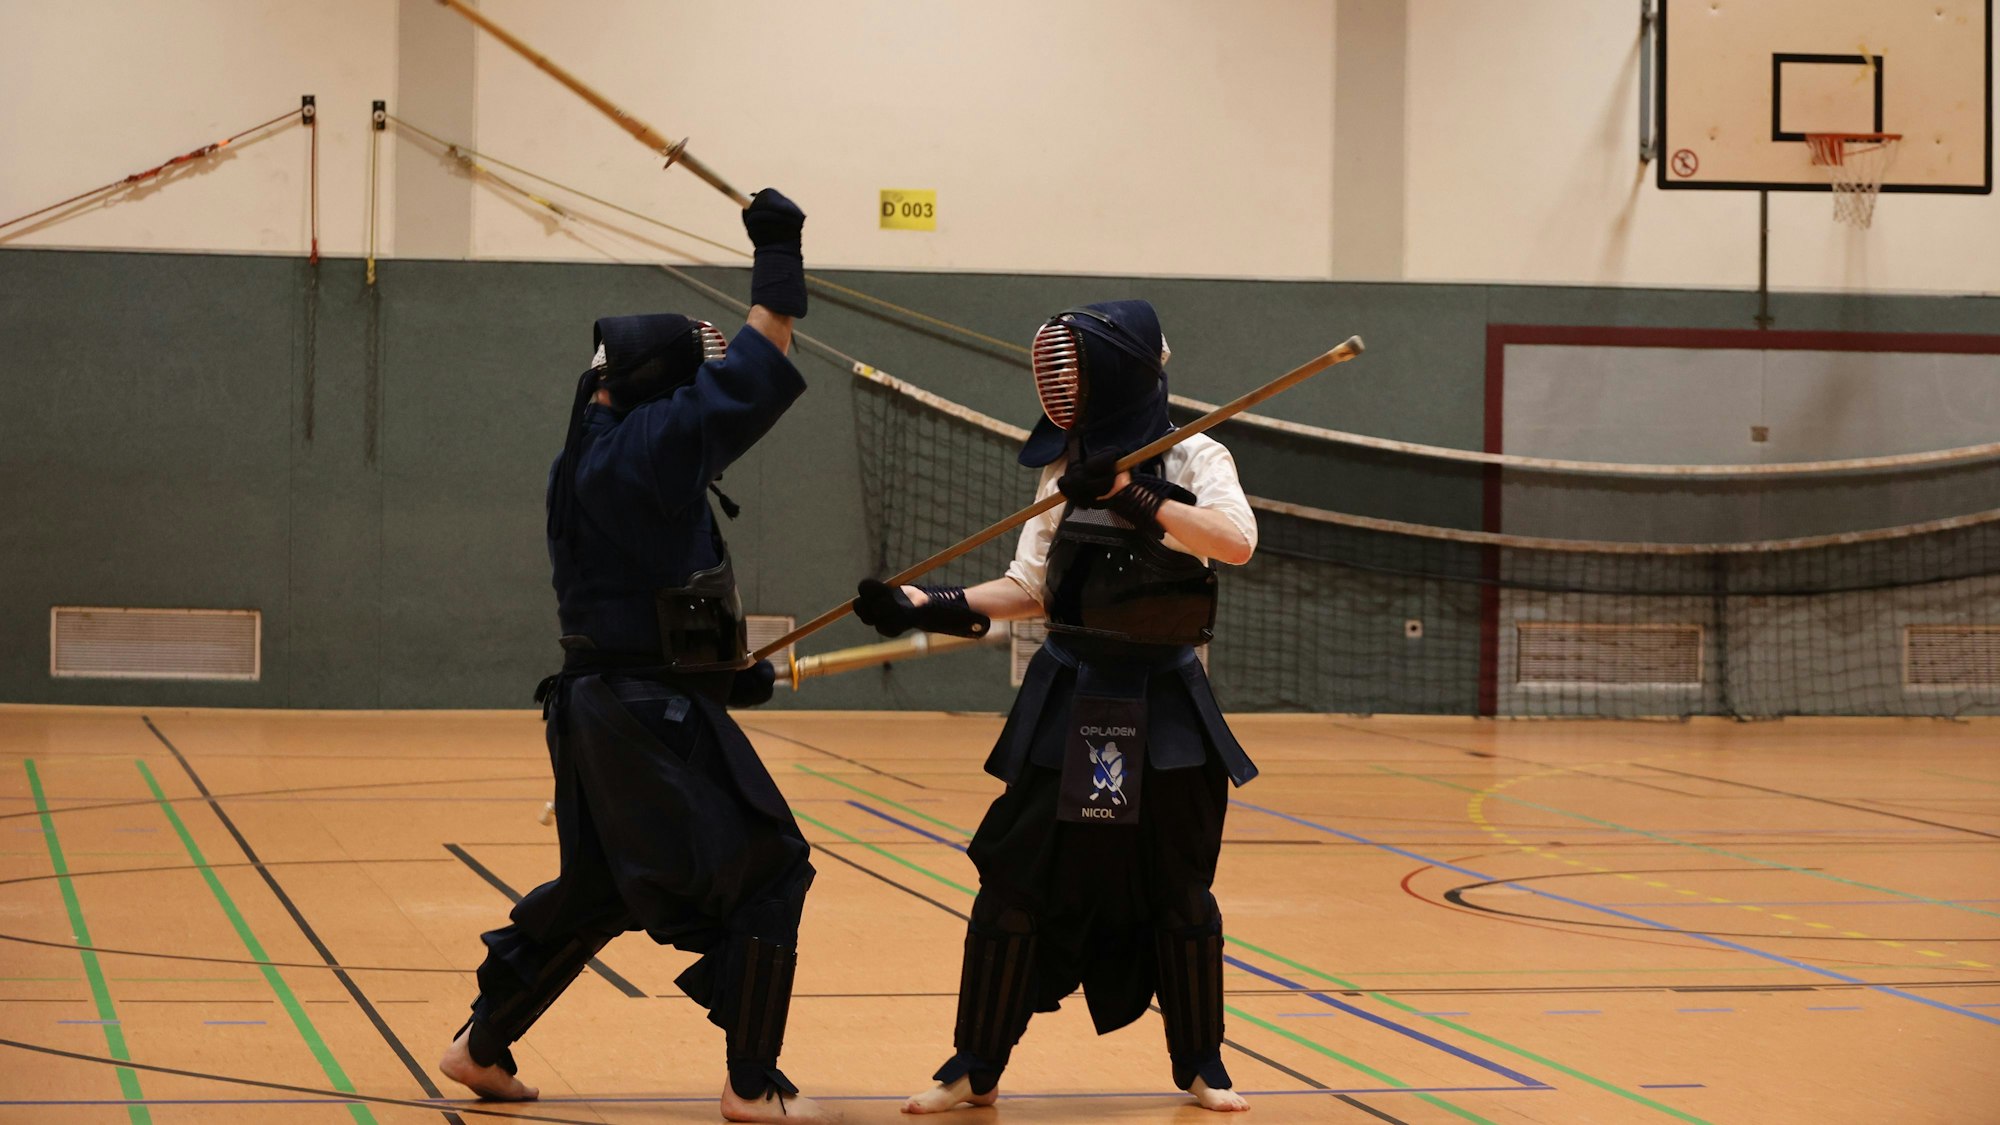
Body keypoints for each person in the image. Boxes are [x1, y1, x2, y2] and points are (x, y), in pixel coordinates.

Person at [439, 189, 842, 1125]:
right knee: (772, 868)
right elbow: (762, 357)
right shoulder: (646, 449)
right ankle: (752, 1085)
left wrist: (717, 672)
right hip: (638, 714)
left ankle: (481, 1045)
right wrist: (778, 250)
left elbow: (635, 600)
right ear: (666, 388)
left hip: (602, 702)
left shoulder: (589, 448)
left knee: (600, 888)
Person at [853, 300, 1259, 1115]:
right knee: (1012, 881)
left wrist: (1134, 494)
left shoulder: (1197, 454)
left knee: (1179, 886)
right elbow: (1031, 587)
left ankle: (1203, 1064)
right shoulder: (1065, 468)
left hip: (1166, 703)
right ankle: (975, 1064)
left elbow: (1234, 540)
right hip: (1074, 695)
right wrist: (926, 603)